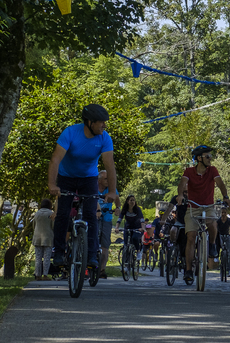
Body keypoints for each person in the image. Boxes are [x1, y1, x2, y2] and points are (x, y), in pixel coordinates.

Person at [47, 104, 118, 274]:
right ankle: (59, 252)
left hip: (88, 179)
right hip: (67, 178)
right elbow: (55, 160)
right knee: (63, 214)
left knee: (91, 215)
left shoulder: (105, 138)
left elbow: (110, 166)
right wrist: (52, 184)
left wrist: (112, 192)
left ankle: (92, 255)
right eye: (101, 122)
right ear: (90, 122)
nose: (105, 126)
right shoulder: (70, 133)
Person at [177, 145, 230, 285]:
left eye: (210, 156)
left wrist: (225, 196)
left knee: (213, 223)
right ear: (199, 158)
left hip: (208, 206)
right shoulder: (189, 171)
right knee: (191, 237)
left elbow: (220, 183)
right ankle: (189, 271)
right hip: (192, 207)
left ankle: (212, 245)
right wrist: (180, 195)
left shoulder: (212, 170)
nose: (210, 159)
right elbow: (183, 183)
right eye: (207, 156)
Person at [32, 197, 55, 280]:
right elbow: (53, 226)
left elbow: (34, 225)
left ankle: (37, 274)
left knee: (38, 257)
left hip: (37, 237)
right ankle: (45, 275)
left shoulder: (37, 213)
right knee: (47, 257)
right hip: (48, 238)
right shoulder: (51, 214)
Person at [118, 195, 146, 260]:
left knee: (135, 238)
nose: (132, 202)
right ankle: (125, 261)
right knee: (126, 244)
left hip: (137, 227)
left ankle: (138, 252)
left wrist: (143, 228)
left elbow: (142, 219)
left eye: (133, 200)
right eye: (131, 200)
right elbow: (120, 219)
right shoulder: (125, 209)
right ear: (127, 201)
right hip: (128, 227)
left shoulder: (137, 209)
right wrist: (117, 227)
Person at [215, 207, 230, 277]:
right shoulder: (218, 221)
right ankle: (217, 261)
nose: (223, 214)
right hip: (220, 236)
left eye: (224, 212)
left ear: (227, 213)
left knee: (229, 254)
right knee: (217, 246)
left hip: (227, 236)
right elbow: (215, 227)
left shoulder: (229, 220)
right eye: (222, 212)